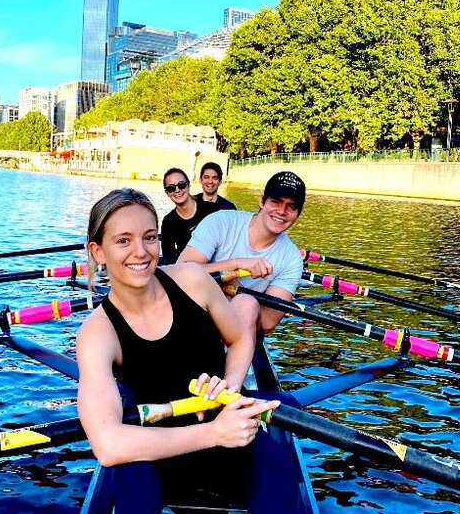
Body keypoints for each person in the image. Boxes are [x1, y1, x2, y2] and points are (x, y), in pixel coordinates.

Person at [76, 188, 297, 513]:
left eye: (149, 237)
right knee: (128, 475)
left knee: (281, 473)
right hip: (160, 446)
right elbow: (108, 444)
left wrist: (230, 388)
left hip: (231, 426)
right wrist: (211, 433)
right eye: (123, 241)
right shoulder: (97, 333)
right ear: (98, 251)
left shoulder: (192, 279)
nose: (140, 252)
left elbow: (239, 339)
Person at [177, 171, 306, 334]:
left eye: (292, 207)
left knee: (246, 304)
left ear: (297, 214)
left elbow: (267, 322)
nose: (282, 211)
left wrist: (236, 292)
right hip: (195, 310)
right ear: (262, 201)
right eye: (276, 201)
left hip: (239, 325)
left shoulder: (292, 258)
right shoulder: (221, 221)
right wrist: (236, 265)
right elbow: (180, 271)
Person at [160, 168, 218, 263]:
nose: (177, 190)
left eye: (181, 185)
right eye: (171, 188)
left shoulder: (210, 209)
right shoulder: (168, 221)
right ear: (167, 193)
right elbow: (169, 256)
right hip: (189, 270)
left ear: (188, 185)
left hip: (217, 264)